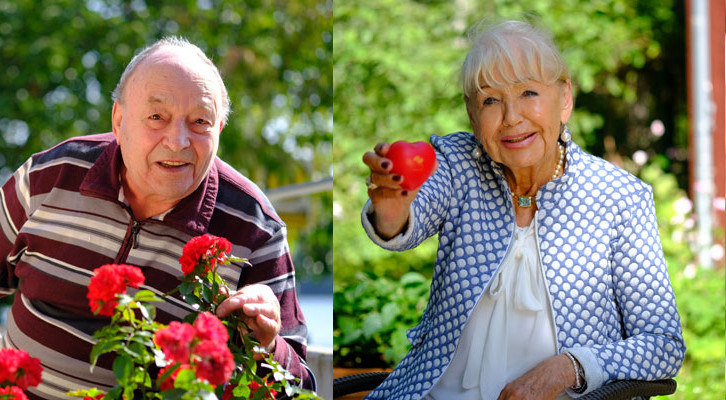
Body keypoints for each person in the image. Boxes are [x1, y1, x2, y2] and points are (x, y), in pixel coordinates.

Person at [359, 20, 684, 399]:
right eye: (490, 101)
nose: (511, 117)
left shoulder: (619, 198)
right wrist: (391, 206)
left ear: (564, 99)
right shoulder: (457, 164)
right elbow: (408, 222)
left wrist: (572, 367)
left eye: (528, 92)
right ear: (472, 115)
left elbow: (663, 345)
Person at [0, 37, 312, 398]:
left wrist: (267, 345)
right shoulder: (50, 174)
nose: (177, 141)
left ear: (219, 132)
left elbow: (299, 387)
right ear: (119, 120)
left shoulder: (255, 228)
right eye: (156, 117)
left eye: (200, 121)